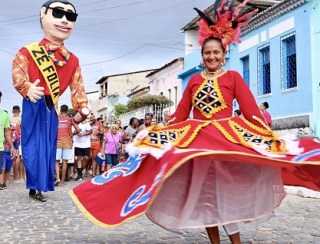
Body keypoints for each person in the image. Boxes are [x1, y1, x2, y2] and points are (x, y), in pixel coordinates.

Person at [70, 2, 320, 243]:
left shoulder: (233, 77)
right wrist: (157, 134)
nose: (212, 56)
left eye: (216, 53)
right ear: (202, 56)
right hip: (198, 146)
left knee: (227, 196)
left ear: (223, 56)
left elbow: (251, 111)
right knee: (206, 198)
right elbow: (180, 114)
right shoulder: (193, 81)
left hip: (226, 143)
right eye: (207, 53)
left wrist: (266, 138)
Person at [12, 0, 88, 202]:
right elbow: (18, 74)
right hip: (33, 103)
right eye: (58, 13)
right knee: (31, 148)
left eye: (70, 16)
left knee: (47, 150)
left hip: (52, 107)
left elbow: (77, 88)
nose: (65, 20)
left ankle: (40, 186)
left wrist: (83, 107)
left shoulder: (73, 60)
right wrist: (27, 87)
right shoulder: (28, 51)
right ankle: (34, 185)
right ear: (43, 14)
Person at [55, 104, 79, 186]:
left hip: (57, 142)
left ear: (61, 111)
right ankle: (62, 181)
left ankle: (57, 178)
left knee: (57, 161)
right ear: (67, 111)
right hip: (67, 142)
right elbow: (78, 130)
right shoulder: (70, 119)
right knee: (65, 161)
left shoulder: (56, 119)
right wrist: (72, 134)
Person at [0, 92, 17, 190]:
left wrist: (12, 147)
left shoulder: (4, 115)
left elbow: (7, 133)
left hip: (0, 148)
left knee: (2, 169)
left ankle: (2, 184)